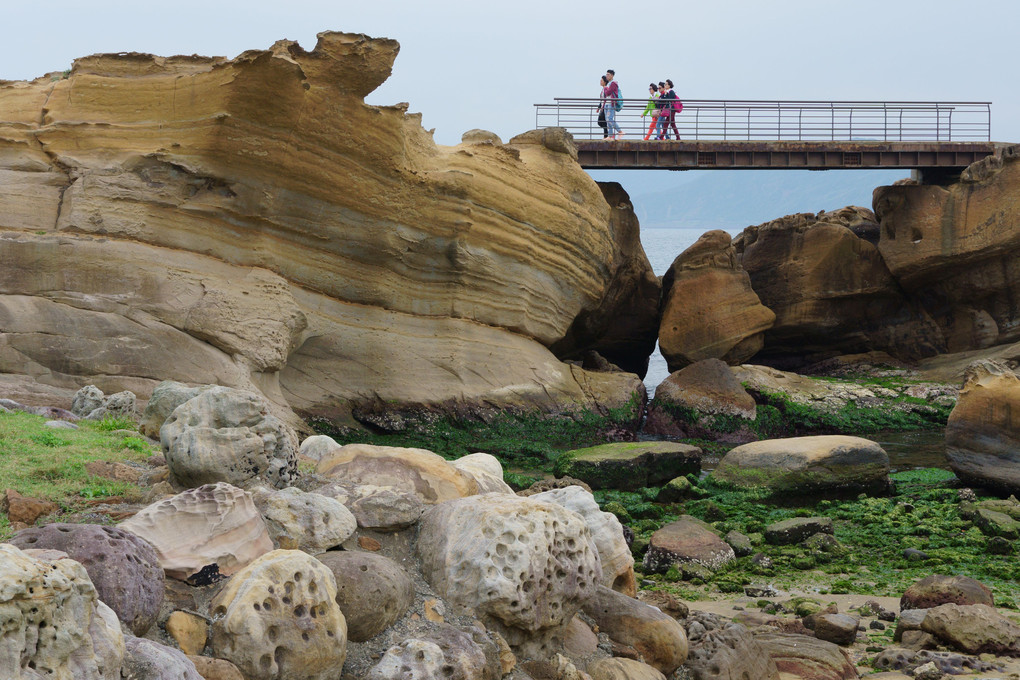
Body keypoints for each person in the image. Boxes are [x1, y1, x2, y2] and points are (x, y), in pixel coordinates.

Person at [604, 69, 622, 140]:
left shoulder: (613, 83)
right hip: (607, 103)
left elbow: (607, 92)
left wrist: (605, 89)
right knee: (607, 120)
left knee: (610, 119)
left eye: (608, 74)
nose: (607, 76)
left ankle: (620, 131)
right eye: (606, 74)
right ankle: (610, 136)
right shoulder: (609, 83)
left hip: (611, 103)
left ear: (612, 75)